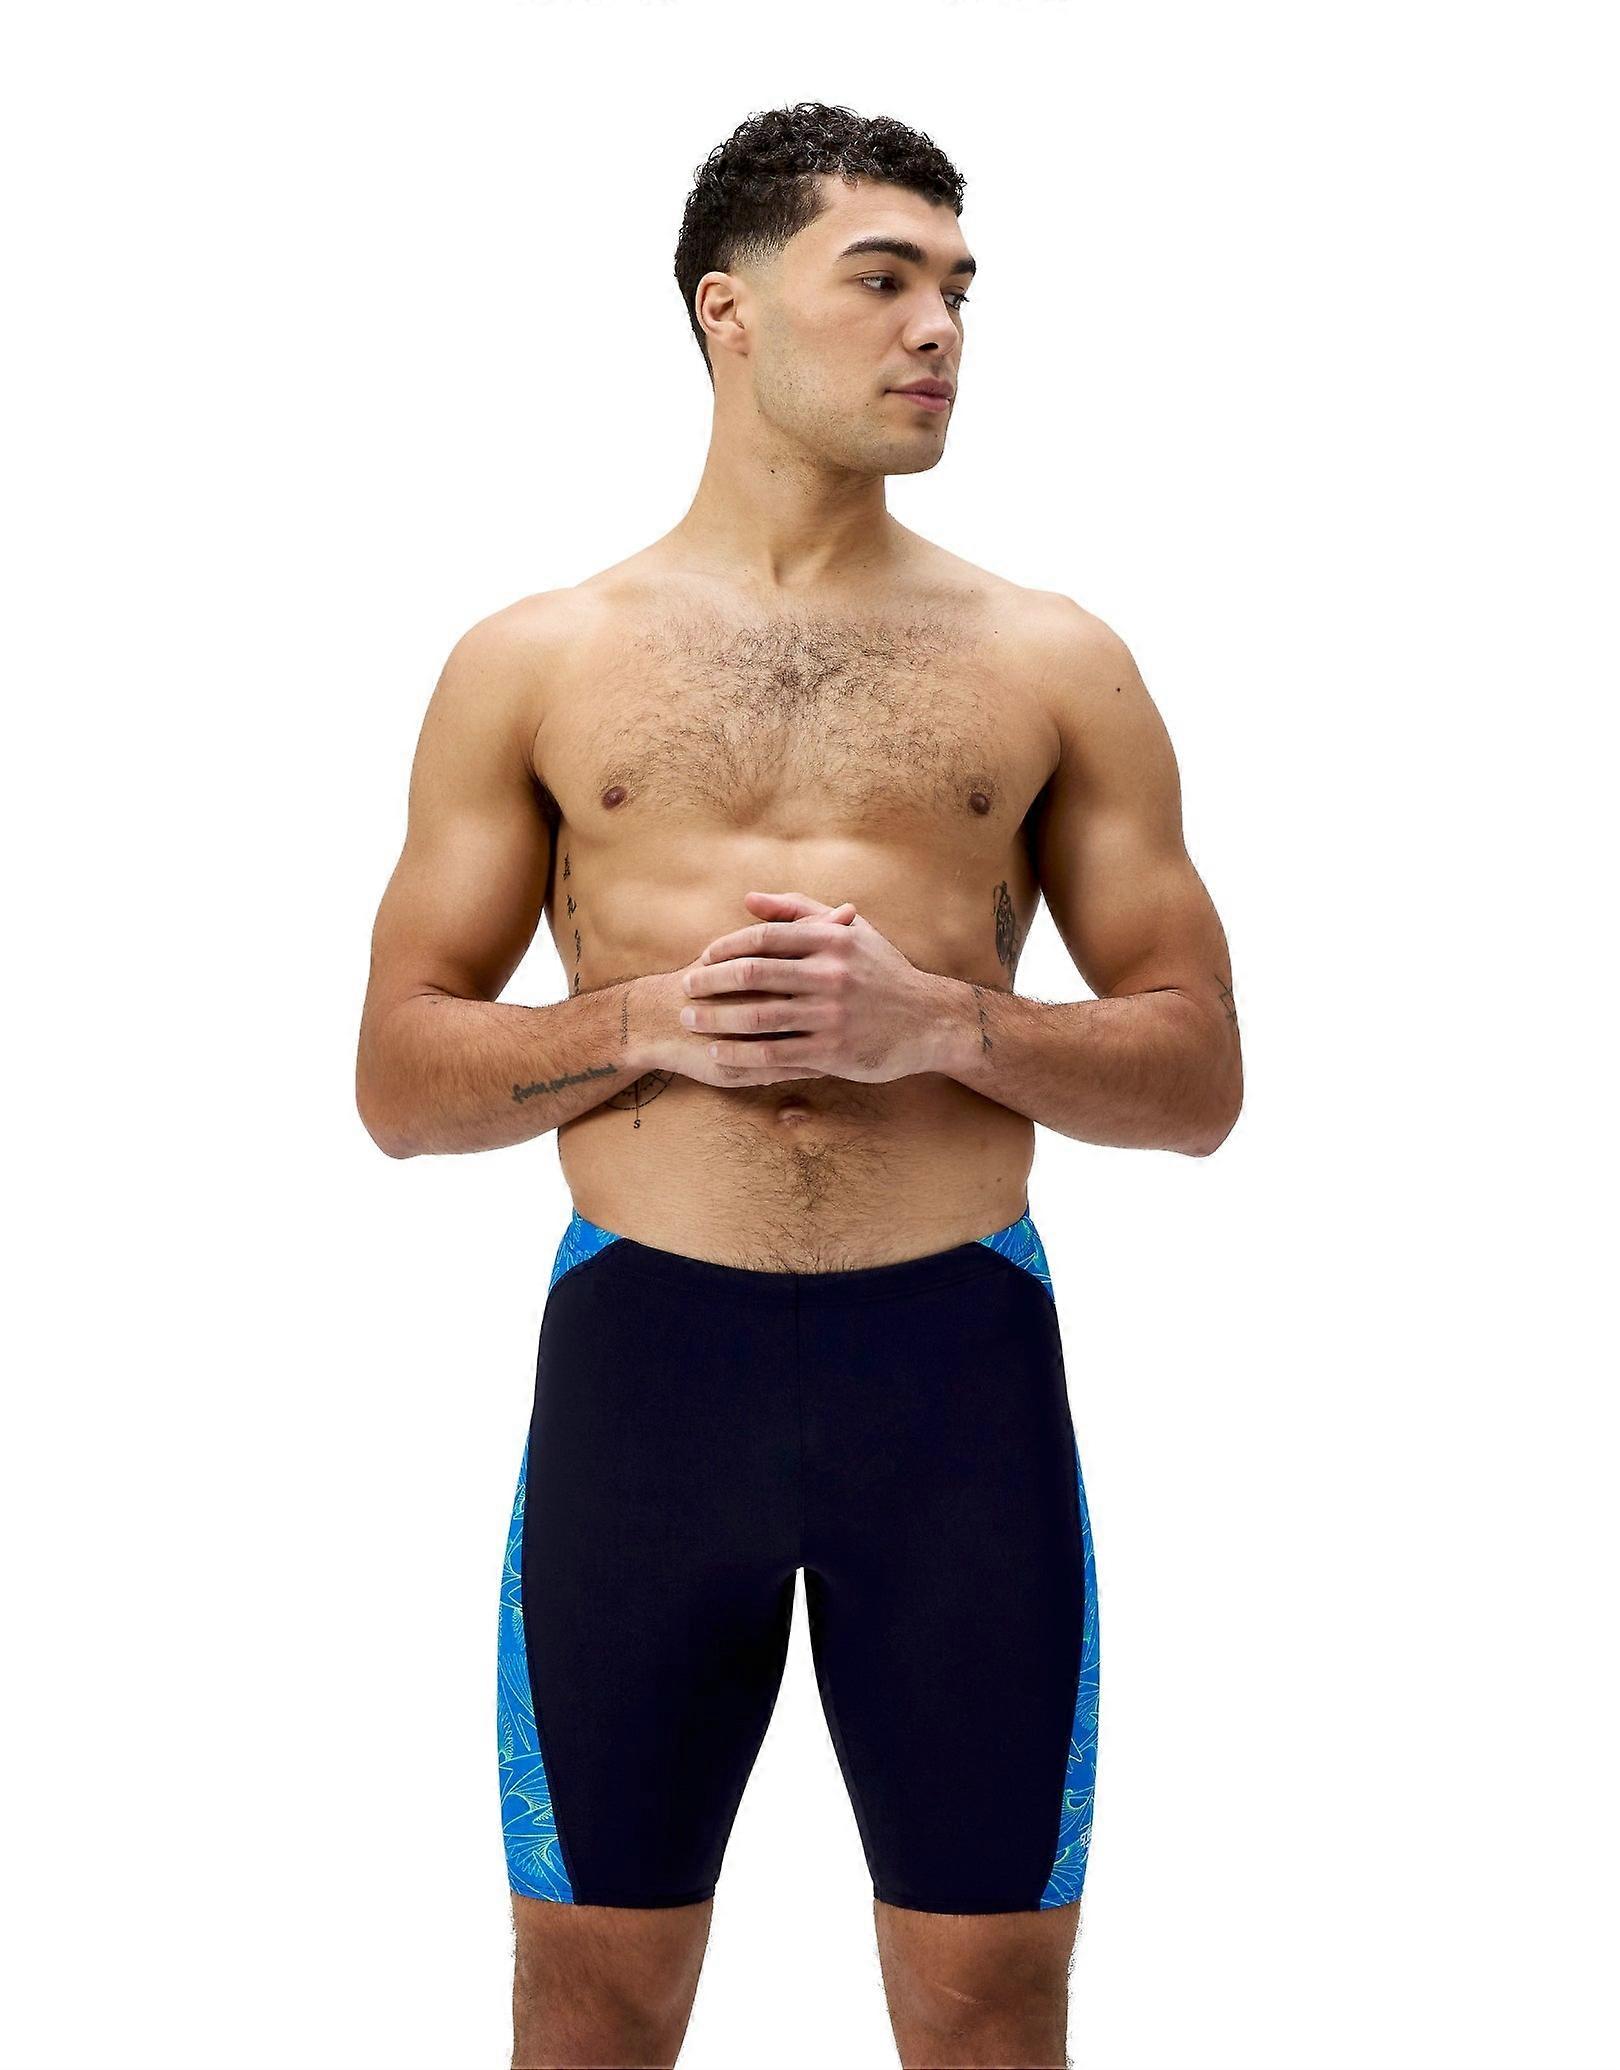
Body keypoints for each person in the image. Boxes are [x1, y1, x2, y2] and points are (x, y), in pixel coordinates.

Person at [355, 100, 1242, 2070]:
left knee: (988, 2004)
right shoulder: (535, 662)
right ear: (728, 308)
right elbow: (401, 1079)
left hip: (957, 1377)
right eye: (885, 279)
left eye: (960, 290)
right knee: (592, 1998)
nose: (940, 330)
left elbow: (1198, 1074)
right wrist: (638, 1026)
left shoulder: (1053, 662)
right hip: (646, 1374)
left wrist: (951, 1029)